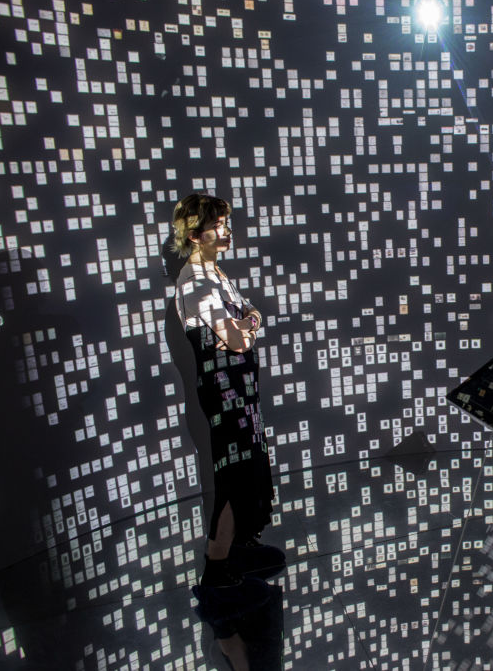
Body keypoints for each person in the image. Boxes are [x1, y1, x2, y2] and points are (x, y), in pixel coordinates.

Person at [169, 194, 281, 668]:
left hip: (241, 389)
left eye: (227, 222)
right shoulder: (196, 281)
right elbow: (237, 336)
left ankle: (234, 555)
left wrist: (247, 322)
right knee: (234, 478)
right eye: (218, 224)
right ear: (196, 233)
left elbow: (251, 315)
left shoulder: (217, 275)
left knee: (246, 470)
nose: (227, 230)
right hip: (225, 391)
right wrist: (247, 326)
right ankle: (216, 573)